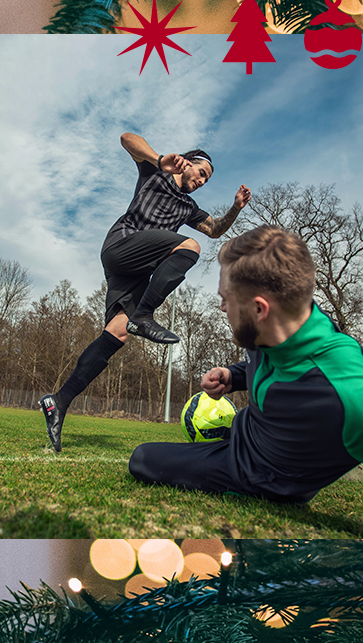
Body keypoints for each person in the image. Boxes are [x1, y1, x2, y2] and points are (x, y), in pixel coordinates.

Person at [129, 225, 363, 538]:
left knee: (143, 459)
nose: (222, 307)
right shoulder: (282, 322)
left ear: (259, 309)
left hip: (260, 475)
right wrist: (233, 376)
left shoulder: (353, 393)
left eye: (225, 298)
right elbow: (272, 364)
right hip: (247, 433)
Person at [39, 132, 251, 452]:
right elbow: (127, 139)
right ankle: (144, 315)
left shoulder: (189, 208)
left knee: (117, 333)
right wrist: (159, 160)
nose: (203, 181)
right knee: (189, 246)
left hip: (134, 272)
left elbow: (216, 229)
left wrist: (235, 208)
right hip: (121, 246)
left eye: (208, 180)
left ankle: (59, 401)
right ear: (187, 164)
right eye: (202, 173)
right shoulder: (156, 173)